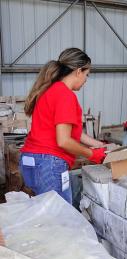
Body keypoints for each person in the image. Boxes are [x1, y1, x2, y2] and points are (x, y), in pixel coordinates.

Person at [20, 48, 106, 204]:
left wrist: (98, 144)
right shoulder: (65, 95)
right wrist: (92, 155)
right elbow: (64, 141)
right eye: (87, 75)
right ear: (79, 71)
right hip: (49, 163)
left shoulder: (50, 90)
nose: (86, 80)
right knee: (60, 219)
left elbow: (71, 131)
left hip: (31, 160)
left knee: (46, 214)